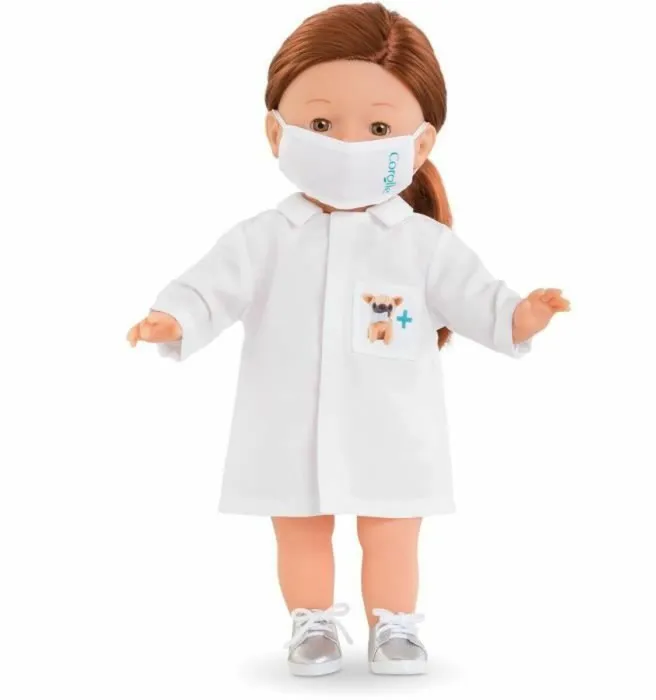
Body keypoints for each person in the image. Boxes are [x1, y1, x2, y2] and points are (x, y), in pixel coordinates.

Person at [126, 2, 569, 677]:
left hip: (392, 423)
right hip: (288, 420)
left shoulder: (422, 244)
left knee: (392, 528)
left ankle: (394, 626)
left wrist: (520, 317)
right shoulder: (266, 238)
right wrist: (176, 318)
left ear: (419, 145)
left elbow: (477, 297)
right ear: (275, 132)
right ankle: (312, 624)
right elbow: (212, 285)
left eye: (379, 128)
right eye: (322, 124)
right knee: (299, 525)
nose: (347, 144)